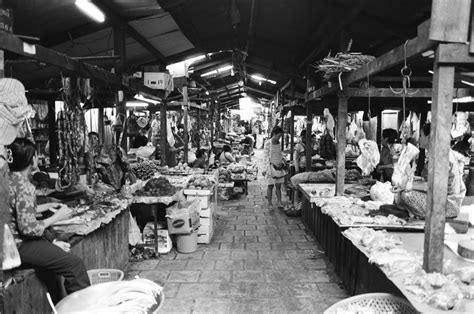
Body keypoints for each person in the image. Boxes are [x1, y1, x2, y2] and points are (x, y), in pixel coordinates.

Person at [7, 138, 90, 302]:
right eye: (36, 154)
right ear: (32, 159)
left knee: (58, 247)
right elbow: (29, 229)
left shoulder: (8, 179)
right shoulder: (24, 186)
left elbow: (20, 211)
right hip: (17, 246)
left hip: (11, 242)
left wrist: (48, 206)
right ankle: (82, 308)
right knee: (75, 265)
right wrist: (56, 217)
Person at [263, 126, 286, 210]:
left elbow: (279, 154)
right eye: (279, 136)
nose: (279, 138)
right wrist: (264, 169)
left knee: (279, 186)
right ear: (274, 134)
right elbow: (265, 157)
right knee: (270, 186)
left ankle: (279, 202)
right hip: (271, 167)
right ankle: (270, 204)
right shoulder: (268, 143)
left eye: (280, 136)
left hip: (279, 167)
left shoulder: (279, 143)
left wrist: (282, 160)